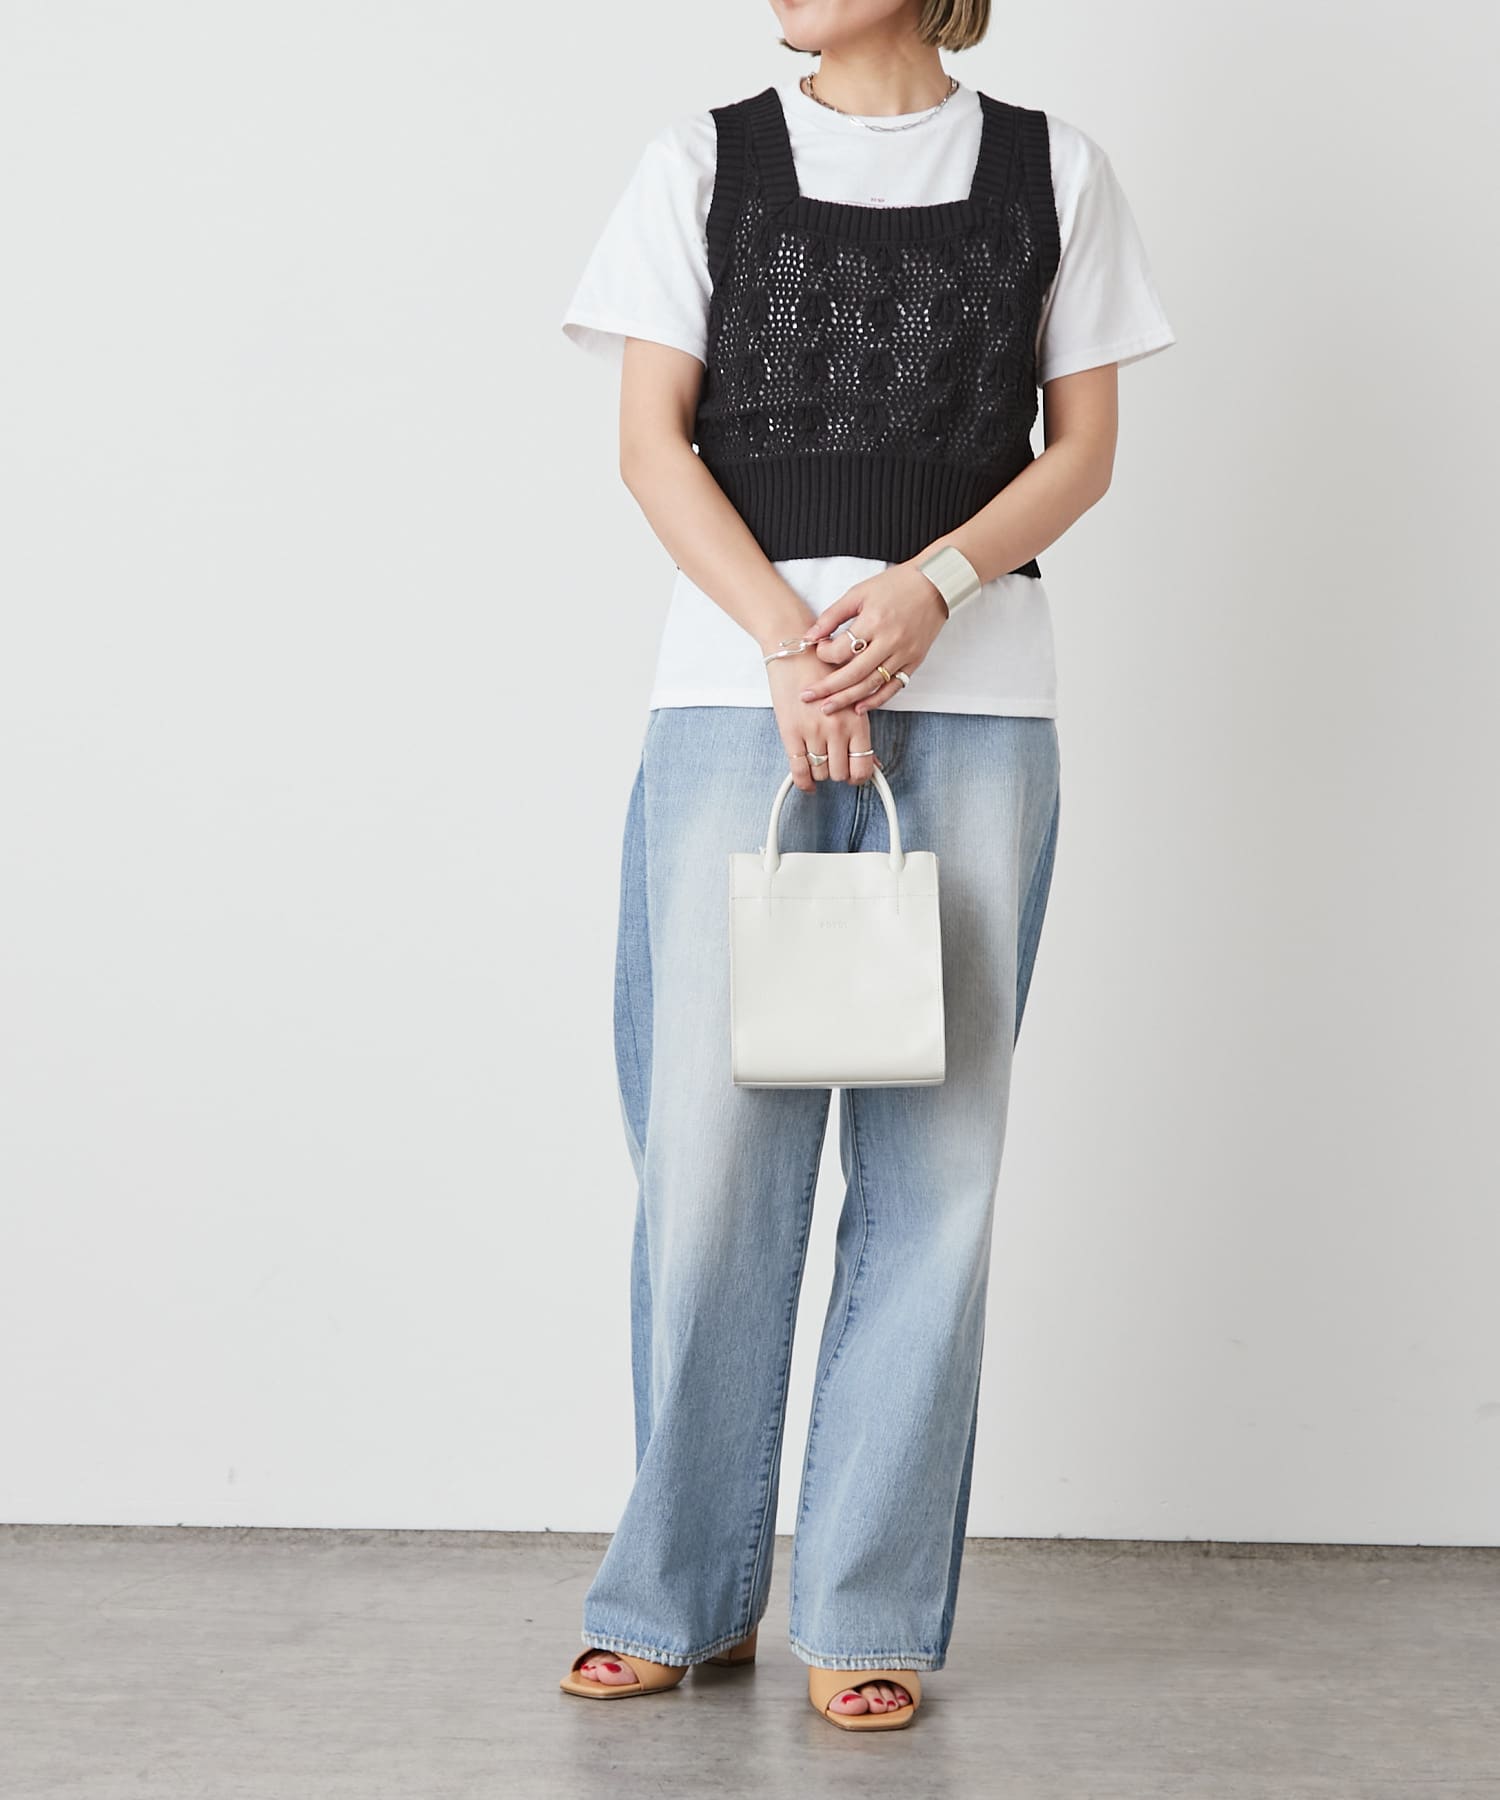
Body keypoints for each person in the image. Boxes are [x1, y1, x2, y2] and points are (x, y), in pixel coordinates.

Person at [555, 0, 1176, 1733]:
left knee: (936, 1176)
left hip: (976, 709)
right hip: (731, 704)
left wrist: (931, 591)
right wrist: (790, 642)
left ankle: (868, 1604)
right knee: (706, 1169)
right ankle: (677, 1592)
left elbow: (1082, 452)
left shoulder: (1056, 170)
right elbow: (651, 442)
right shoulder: (702, 162)